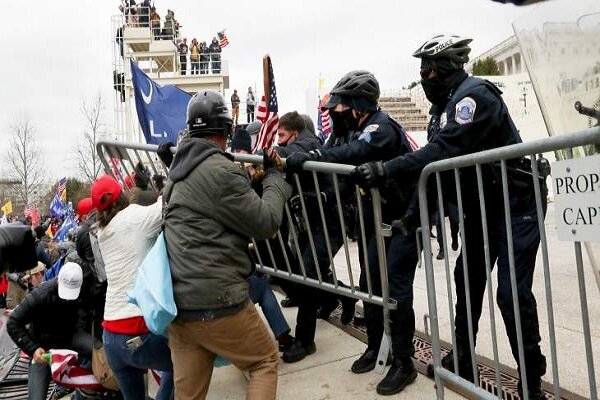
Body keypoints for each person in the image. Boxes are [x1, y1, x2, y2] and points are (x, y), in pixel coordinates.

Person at [354, 34, 548, 399]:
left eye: (427, 70)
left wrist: (386, 168)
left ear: (445, 69)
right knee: (466, 279)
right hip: (483, 207)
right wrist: (411, 220)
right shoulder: (442, 109)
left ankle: (531, 375)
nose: (423, 77)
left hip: (517, 205)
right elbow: (438, 175)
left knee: (510, 293)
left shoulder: (475, 97)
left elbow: (443, 151)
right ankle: (462, 356)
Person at [285, 71, 419, 395]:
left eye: (340, 107)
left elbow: (354, 154)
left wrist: (313, 156)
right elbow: (346, 173)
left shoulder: (380, 127)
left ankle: (404, 362)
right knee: (369, 286)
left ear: (357, 105)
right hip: (374, 224)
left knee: (396, 293)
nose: (334, 113)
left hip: (401, 225)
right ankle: (375, 346)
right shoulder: (357, 129)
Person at [163, 90, 292, 400]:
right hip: (218, 301)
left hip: (179, 308)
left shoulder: (176, 175)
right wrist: (275, 178)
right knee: (264, 362)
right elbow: (265, 223)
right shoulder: (222, 171)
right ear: (226, 130)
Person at [91, 175, 173, 400]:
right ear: (121, 195)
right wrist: (169, 175)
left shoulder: (102, 231)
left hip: (111, 337)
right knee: (186, 360)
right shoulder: (133, 217)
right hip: (135, 328)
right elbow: (167, 204)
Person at [7, 263, 93, 400]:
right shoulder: (41, 295)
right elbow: (13, 323)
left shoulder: (84, 290)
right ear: (58, 279)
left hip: (70, 337)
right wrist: (33, 350)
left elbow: (84, 315)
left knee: (99, 351)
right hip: (43, 347)